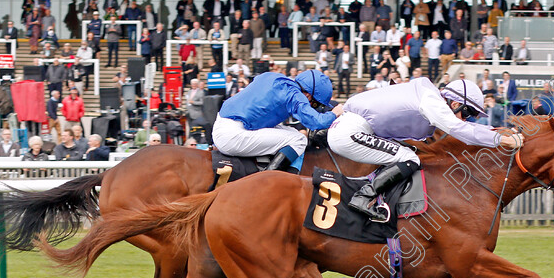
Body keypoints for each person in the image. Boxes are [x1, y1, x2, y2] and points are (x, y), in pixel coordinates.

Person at [327, 78, 522, 221]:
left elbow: (465, 127)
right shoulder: (432, 102)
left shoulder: (428, 93)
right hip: (349, 133)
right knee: (409, 158)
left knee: (408, 152)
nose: (466, 118)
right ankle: (363, 198)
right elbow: (461, 130)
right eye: (467, 112)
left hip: (350, 128)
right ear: (454, 104)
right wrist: (501, 140)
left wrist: (497, 132)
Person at [213, 70, 343, 172]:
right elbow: (318, 122)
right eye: (314, 104)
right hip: (232, 135)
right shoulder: (295, 95)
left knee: (293, 132)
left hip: (223, 123)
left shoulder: (271, 76)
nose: (312, 106)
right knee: (299, 140)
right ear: (308, 95)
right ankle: (269, 178)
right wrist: (335, 113)